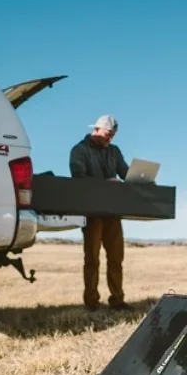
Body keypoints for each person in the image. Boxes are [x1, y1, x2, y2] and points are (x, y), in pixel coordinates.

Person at [69, 115, 133, 312]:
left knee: (116, 258)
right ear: (96, 130)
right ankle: (91, 301)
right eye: (107, 135)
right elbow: (78, 178)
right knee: (92, 259)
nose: (110, 140)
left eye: (112, 136)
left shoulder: (114, 151)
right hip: (91, 212)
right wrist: (105, 184)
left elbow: (125, 173)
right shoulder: (79, 150)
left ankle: (117, 299)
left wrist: (140, 180)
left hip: (113, 212)